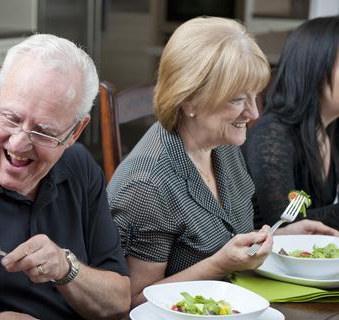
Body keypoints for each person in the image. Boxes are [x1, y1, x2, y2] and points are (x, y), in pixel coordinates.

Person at [106, 17, 339, 308]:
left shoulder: (222, 146)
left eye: (255, 96)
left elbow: (232, 235)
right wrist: (218, 264)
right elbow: (132, 303)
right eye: (238, 99)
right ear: (189, 100)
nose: (253, 113)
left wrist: (281, 236)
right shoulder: (147, 184)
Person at [0, 34, 129, 320]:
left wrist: (66, 268)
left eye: (44, 132)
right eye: (11, 118)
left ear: (75, 132)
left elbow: (117, 301)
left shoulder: (79, 165)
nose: (18, 144)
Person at [243, 16, 339, 229]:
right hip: (264, 260)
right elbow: (284, 223)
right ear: (314, 68)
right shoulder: (272, 133)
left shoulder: (331, 129)